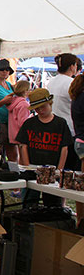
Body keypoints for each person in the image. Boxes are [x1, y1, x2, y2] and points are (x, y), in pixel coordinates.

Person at [17, 88, 72, 207]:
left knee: (53, 203)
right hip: (33, 168)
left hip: (53, 170)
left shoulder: (61, 123)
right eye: (37, 108)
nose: (40, 110)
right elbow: (23, 146)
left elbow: (64, 148)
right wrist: (27, 167)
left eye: (43, 107)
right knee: (29, 202)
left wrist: (59, 169)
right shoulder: (29, 123)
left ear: (50, 103)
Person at [47, 53, 81, 171]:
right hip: (69, 130)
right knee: (68, 168)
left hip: (53, 127)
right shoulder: (71, 83)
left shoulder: (51, 82)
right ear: (72, 66)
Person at [69, 74, 84, 225]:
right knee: (82, 185)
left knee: (81, 184)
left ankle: (80, 218)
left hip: (79, 141)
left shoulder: (76, 97)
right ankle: (81, 219)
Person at [7, 80, 31, 146]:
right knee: (23, 155)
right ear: (25, 91)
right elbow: (23, 123)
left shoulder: (13, 101)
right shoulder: (24, 104)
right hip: (21, 136)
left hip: (13, 134)